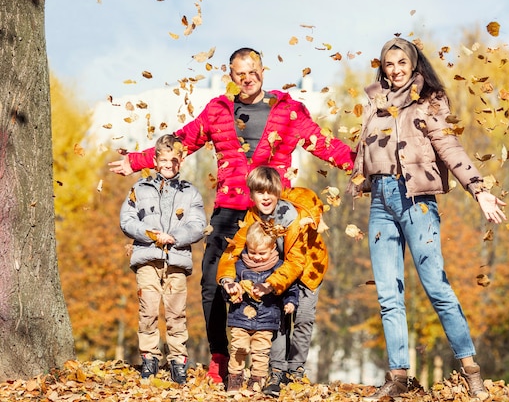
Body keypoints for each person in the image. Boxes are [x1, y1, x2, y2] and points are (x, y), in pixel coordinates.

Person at [108, 47, 354, 384]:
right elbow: (181, 142)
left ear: (263, 71)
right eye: (240, 73)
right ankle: (220, 358)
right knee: (212, 283)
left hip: (272, 213)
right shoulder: (218, 111)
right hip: (229, 209)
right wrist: (137, 161)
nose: (247, 77)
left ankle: (272, 368)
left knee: (277, 285)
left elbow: (323, 143)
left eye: (252, 70)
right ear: (232, 76)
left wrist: (361, 166)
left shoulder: (288, 110)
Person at [347, 37, 507, 401]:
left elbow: (449, 145)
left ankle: (471, 371)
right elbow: (362, 151)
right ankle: (398, 378)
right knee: (389, 294)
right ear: (383, 68)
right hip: (381, 203)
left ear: (414, 65)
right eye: (389, 63)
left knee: (436, 286)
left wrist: (478, 188)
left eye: (402, 62)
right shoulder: (374, 102)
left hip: (416, 201)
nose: (396, 69)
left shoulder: (429, 102)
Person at [217, 166, 329, 397]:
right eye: (260, 192)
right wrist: (228, 279)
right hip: (276, 271)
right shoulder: (251, 218)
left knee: (304, 318)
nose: (265, 197)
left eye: (270, 192)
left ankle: (295, 369)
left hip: (307, 269)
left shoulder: (293, 218)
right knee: (276, 318)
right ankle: (276, 370)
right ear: (252, 195)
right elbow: (232, 251)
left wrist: (272, 284)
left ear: (278, 192)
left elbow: (296, 261)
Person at [119, 134, 207, 385]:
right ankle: (149, 356)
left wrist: (175, 237)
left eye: (175, 160)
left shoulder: (190, 192)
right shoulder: (139, 188)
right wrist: (150, 234)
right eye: (164, 159)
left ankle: (178, 360)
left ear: (181, 161)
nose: (169, 164)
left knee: (176, 312)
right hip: (147, 257)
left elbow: (198, 225)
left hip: (176, 260)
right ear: (155, 160)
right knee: (147, 308)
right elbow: (127, 220)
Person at [221, 221, 298, 394]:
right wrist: (231, 293)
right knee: (238, 348)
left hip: (266, 319)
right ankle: (235, 377)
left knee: (261, 352)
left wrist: (290, 302)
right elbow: (226, 290)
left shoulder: (278, 268)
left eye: (262, 253)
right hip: (240, 318)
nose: (256, 257)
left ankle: (257, 380)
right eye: (252, 252)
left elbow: (289, 287)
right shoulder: (239, 266)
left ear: (272, 249)